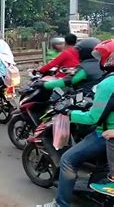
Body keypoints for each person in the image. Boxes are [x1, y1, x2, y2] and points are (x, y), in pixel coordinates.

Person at [40, 39, 114, 207]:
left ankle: (61, 204)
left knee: (68, 159)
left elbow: (92, 118)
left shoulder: (108, 82)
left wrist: (69, 113)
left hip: (107, 132)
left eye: (102, 56)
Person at [38, 38, 103, 95]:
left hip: (85, 99)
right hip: (99, 97)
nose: (78, 53)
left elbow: (66, 81)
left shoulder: (85, 69)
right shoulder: (104, 65)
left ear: (84, 52)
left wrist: (43, 85)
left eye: (79, 51)